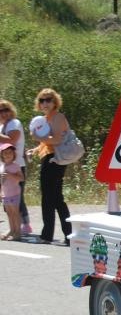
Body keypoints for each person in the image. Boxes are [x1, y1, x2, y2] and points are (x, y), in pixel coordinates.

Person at [28, 88, 71, 245]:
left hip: (54, 160)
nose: (45, 103)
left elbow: (57, 140)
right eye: (42, 100)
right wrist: (35, 149)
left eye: (48, 100)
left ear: (55, 102)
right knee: (56, 198)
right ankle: (69, 235)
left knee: (49, 199)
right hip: (50, 158)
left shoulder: (57, 117)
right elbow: (47, 142)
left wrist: (37, 137)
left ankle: (47, 236)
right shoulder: (46, 119)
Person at [0, 99, 32, 235]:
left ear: (11, 110)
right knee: (7, 198)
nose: (4, 113)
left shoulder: (14, 123)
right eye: (0, 111)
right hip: (4, 166)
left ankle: (23, 226)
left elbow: (12, 141)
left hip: (16, 166)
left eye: (6, 109)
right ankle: (14, 228)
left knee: (16, 198)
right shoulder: (2, 127)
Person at [0, 143, 23, 241]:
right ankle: (12, 230)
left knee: (15, 213)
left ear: (14, 154)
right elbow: (2, 182)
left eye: (10, 152)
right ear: (1, 155)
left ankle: (17, 232)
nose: (8, 154)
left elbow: (21, 178)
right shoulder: (2, 166)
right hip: (5, 194)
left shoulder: (16, 166)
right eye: (5, 153)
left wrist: (10, 175)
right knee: (9, 213)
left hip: (14, 193)